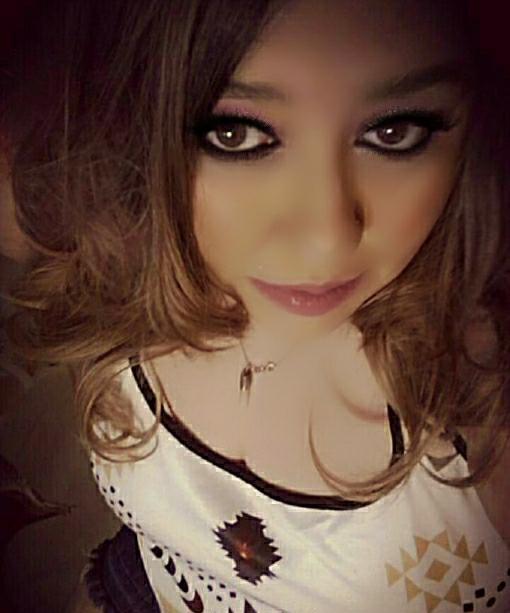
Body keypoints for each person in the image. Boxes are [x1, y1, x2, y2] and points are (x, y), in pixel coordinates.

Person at [1, 0, 509, 611]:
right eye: (236, 132)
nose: (326, 240)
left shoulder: (481, 389)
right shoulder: (113, 243)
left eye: (394, 132)